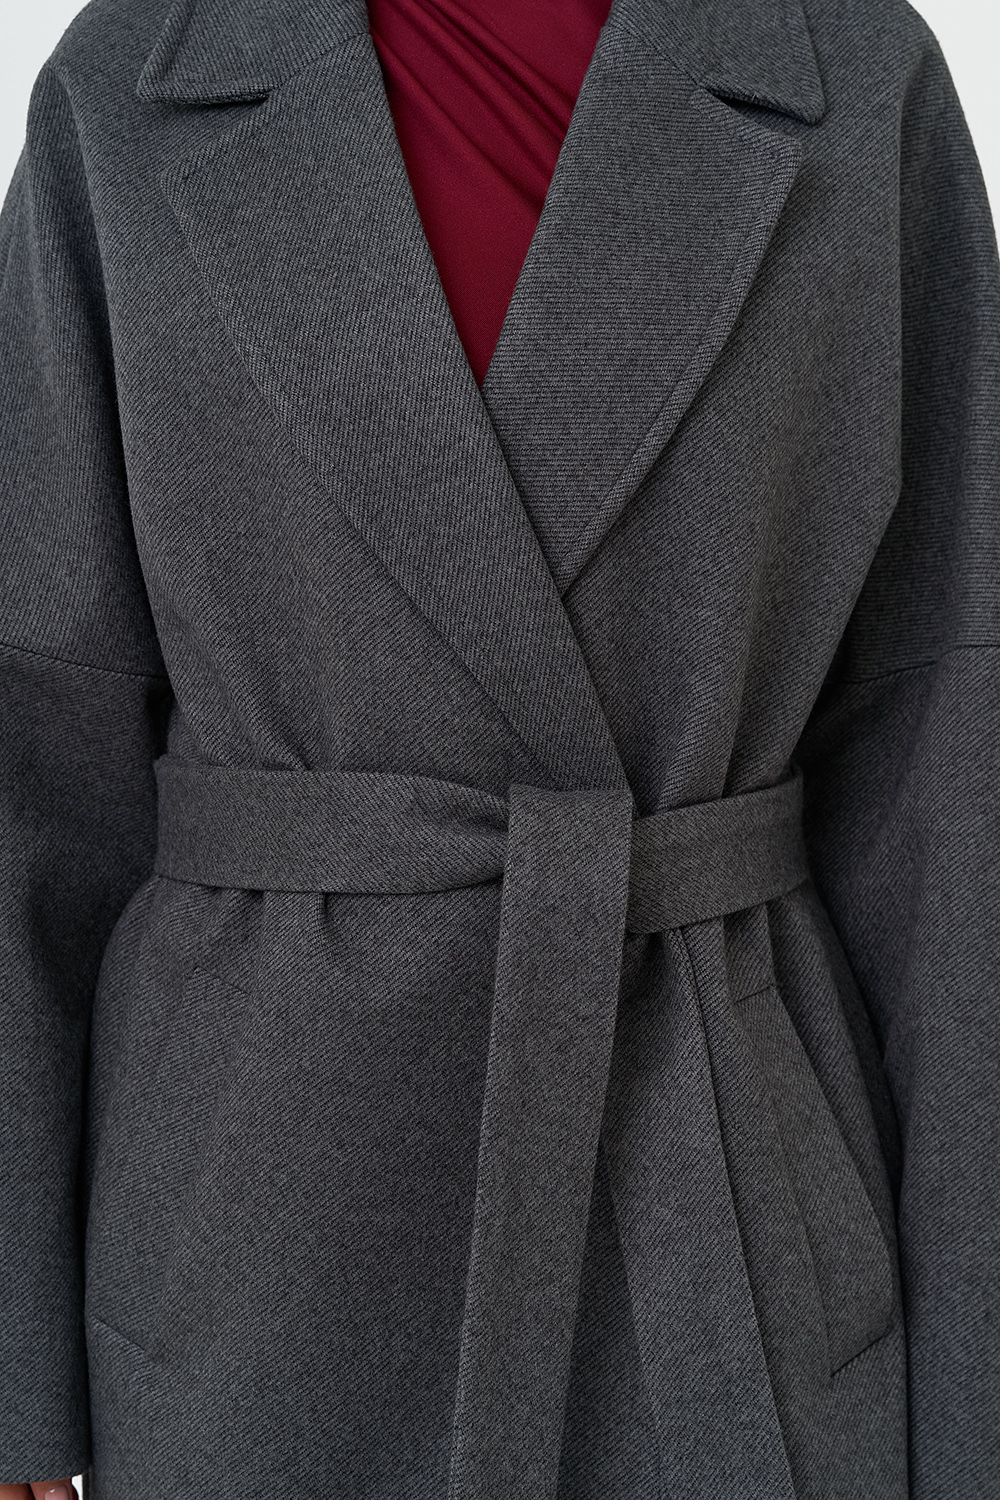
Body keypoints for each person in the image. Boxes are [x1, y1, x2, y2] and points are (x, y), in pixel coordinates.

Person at [2, 0, 998, 1495]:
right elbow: (33, 747)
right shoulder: (132, 83)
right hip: (257, 1253)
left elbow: (954, 757)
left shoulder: (853, 75)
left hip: (720, 1215)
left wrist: (982, 1401)